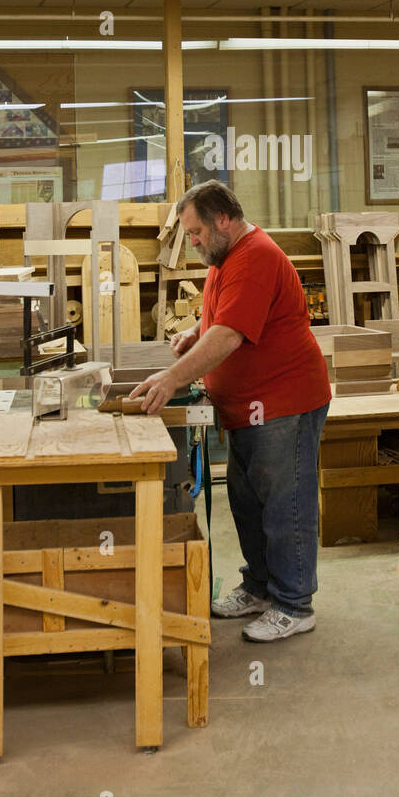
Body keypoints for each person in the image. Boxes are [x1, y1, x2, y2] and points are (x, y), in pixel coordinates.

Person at [130, 180, 331, 642]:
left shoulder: (256, 256)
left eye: (197, 231)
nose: (193, 241)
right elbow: (217, 318)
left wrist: (172, 378)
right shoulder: (224, 257)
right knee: (247, 500)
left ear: (224, 219)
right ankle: (260, 589)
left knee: (285, 506)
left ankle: (294, 604)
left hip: (284, 402)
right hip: (248, 407)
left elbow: (231, 335)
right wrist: (194, 334)